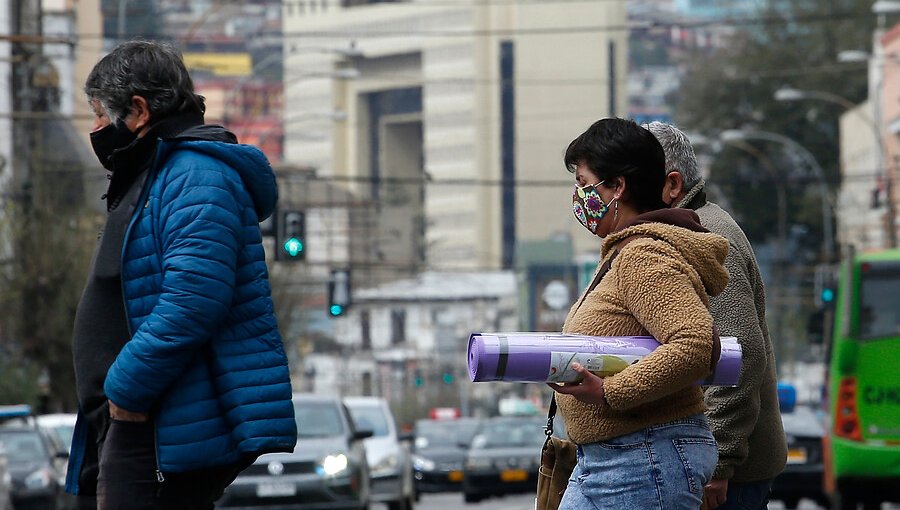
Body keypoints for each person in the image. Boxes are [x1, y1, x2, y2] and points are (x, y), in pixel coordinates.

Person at [65, 40, 297, 509]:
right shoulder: (157, 174)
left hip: (157, 418)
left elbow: (193, 301)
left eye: (98, 113)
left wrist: (125, 389)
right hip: (136, 418)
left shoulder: (197, 177)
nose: (95, 129)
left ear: (139, 109)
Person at [548, 117, 729, 510]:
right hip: (612, 460)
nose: (579, 196)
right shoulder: (625, 251)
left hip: (643, 460)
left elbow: (695, 343)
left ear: (617, 187)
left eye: (584, 184)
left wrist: (610, 392)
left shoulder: (643, 255)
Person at [645, 121, 786, 510]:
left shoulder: (707, 235)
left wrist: (719, 462)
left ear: (672, 185)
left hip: (725, 477)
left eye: (634, 178)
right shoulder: (684, 229)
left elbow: (739, 355)